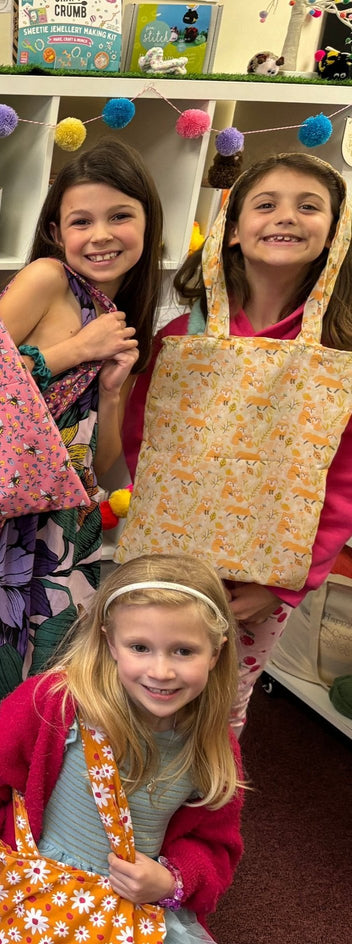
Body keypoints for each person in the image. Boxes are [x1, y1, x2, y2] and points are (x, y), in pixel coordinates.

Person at [0, 138, 165, 889]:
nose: (101, 235)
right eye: (81, 220)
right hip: (3, 534)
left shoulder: (119, 313)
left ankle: (7, 824)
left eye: (121, 216)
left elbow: (104, 462)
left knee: (48, 697)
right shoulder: (51, 282)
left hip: (71, 539)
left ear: (148, 226)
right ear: (56, 231)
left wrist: (112, 386)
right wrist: (70, 351)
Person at [123, 151, 352, 731]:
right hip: (166, 563)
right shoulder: (187, 336)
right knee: (135, 694)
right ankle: (113, 816)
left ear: (335, 232)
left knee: (223, 706)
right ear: (230, 228)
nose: (287, 217)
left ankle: (197, 817)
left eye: (309, 206)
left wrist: (283, 585)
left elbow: (344, 477)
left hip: (262, 580)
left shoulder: (339, 350)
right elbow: (142, 444)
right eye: (267, 204)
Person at [0, 554, 244, 944]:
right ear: (109, 642)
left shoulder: (213, 744)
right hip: (34, 895)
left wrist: (171, 880)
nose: (161, 671)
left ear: (216, 653)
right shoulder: (52, 703)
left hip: (130, 909)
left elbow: (216, 843)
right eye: (140, 647)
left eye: (184, 651)